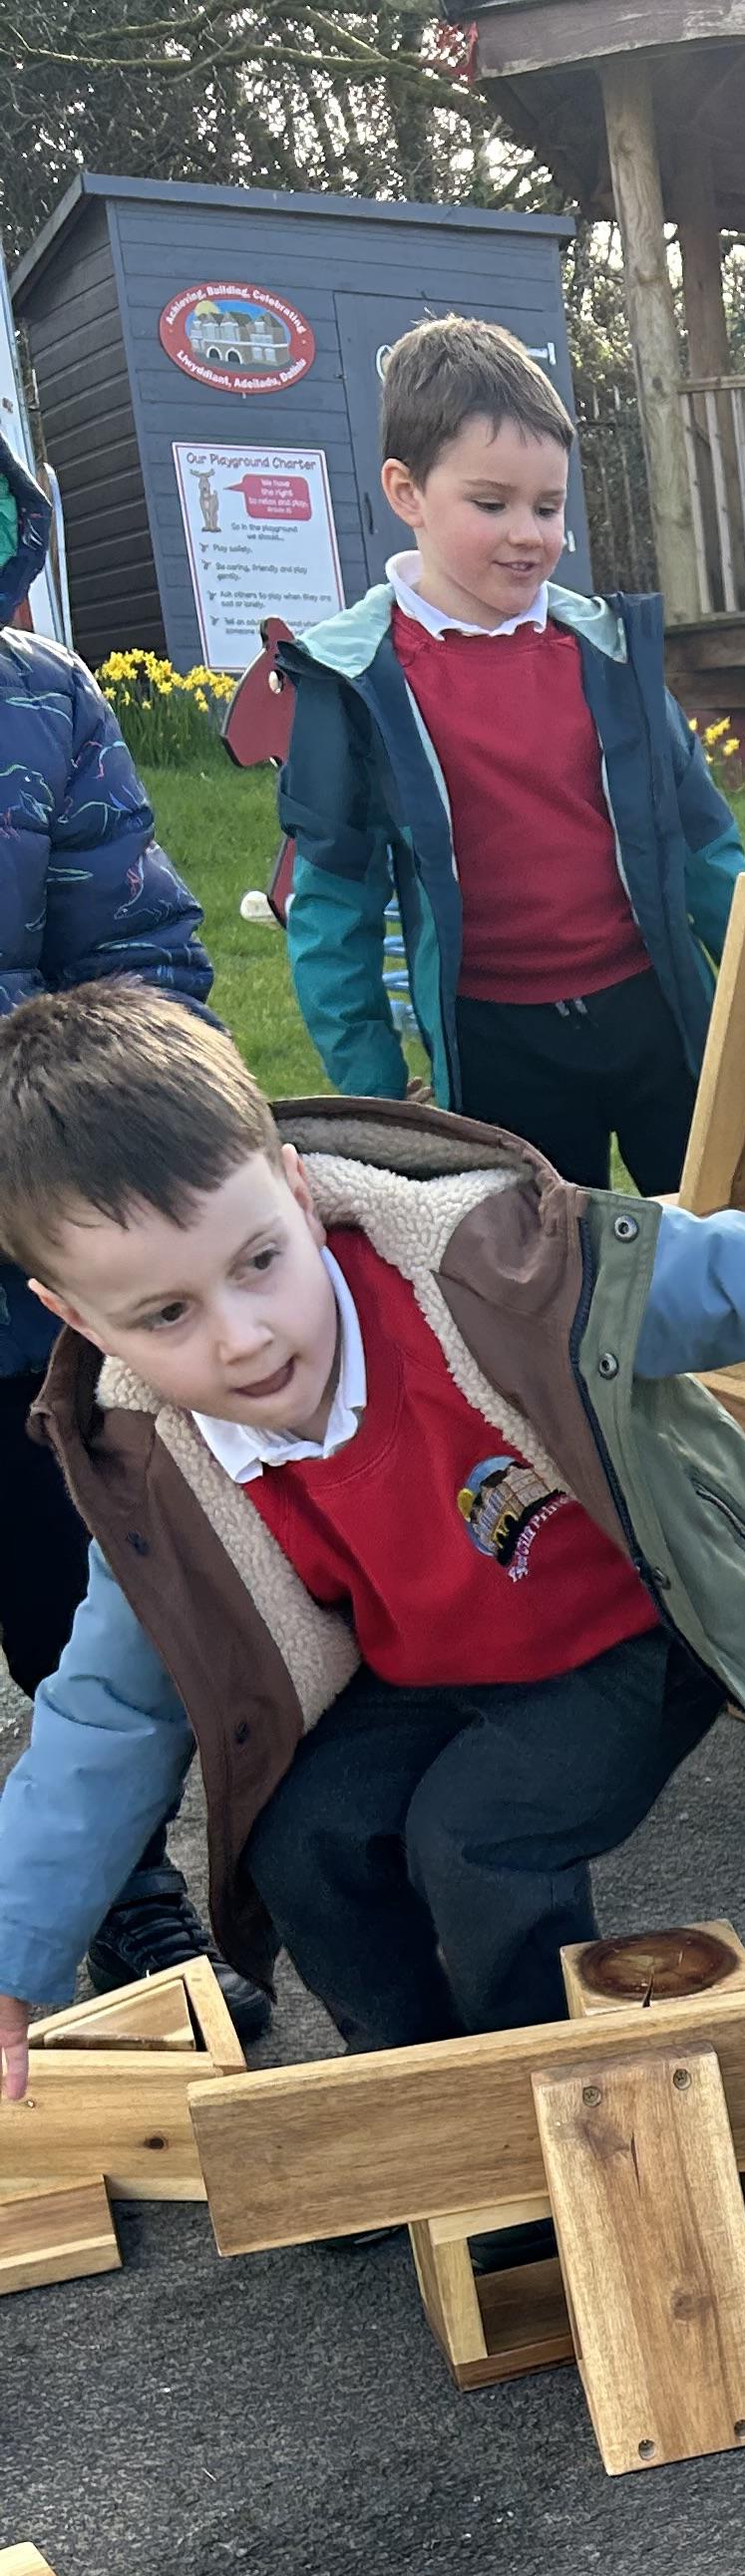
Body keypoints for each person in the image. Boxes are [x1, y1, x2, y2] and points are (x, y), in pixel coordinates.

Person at [0, 984, 745, 2102]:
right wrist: (16, 1950)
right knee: (303, 1838)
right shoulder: (155, 1464)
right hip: (427, 1672)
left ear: (300, 1194)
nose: (242, 1337)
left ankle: (555, 2092)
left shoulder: (496, 1273)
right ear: (76, 1319)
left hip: (617, 1642)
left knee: (473, 1842)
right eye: (166, 1315)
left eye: (258, 1262)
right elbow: (109, 1711)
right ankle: (415, 2086)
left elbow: (739, 1274)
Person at [0, 425, 271, 2037]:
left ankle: (120, 1887)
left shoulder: (40, 700)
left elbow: (143, 952)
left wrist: (89, 1146)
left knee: (81, 1589)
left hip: (37, 1264)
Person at [275, 313, 745, 1189]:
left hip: (657, 1011)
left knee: (717, 1232)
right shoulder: (356, 682)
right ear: (407, 492)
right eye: (491, 505)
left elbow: (705, 843)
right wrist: (375, 1089)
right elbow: (333, 904)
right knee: (544, 1261)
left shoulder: (611, 656)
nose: (528, 533)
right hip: (495, 1043)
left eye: (549, 506)